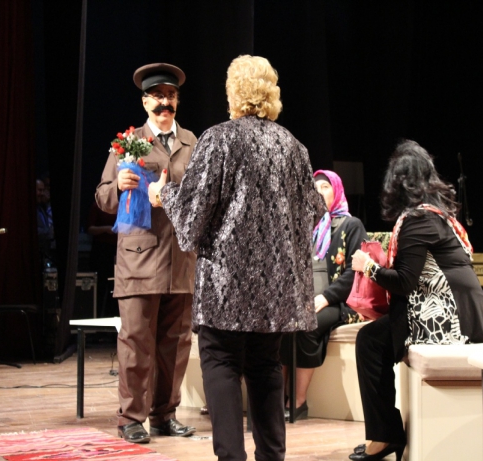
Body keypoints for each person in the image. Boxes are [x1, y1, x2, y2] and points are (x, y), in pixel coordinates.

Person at [148, 55, 326, 461]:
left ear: (233, 93)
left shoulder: (219, 140)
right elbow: (313, 211)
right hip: (275, 290)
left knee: (221, 363)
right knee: (265, 367)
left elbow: (191, 217)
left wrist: (164, 195)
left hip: (226, 287)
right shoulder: (293, 146)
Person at [348, 140, 483, 461]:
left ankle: (384, 437)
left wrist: (368, 267)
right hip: (454, 312)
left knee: (369, 342)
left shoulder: (418, 220)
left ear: (398, 183)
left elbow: (405, 282)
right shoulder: (437, 215)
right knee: (374, 337)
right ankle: (385, 434)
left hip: (452, 321)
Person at [95, 63, 198, 444]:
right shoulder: (128, 142)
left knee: (176, 344)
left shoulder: (192, 142)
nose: (164, 103)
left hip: (181, 260)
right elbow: (102, 197)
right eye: (157, 96)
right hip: (140, 257)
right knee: (137, 341)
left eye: (170, 96)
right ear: (144, 102)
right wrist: (119, 186)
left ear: (177, 101)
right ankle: (131, 418)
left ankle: (164, 415)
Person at [280, 169, 367, 420]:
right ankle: (277, 399)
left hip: (341, 302)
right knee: (281, 324)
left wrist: (326, 297)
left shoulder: (351, 225)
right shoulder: (302, 228)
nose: (318, 193)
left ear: (336, 192)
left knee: (308, 324)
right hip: (306, 301)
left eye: (325, 187)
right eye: (314, 188)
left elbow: (356, 272)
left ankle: (298, 400)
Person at [36, 178, 56, 267]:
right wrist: (49, 232)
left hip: (44, 253)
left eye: (43, 190)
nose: (42, 193)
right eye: (40, 190)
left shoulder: (41, 208)